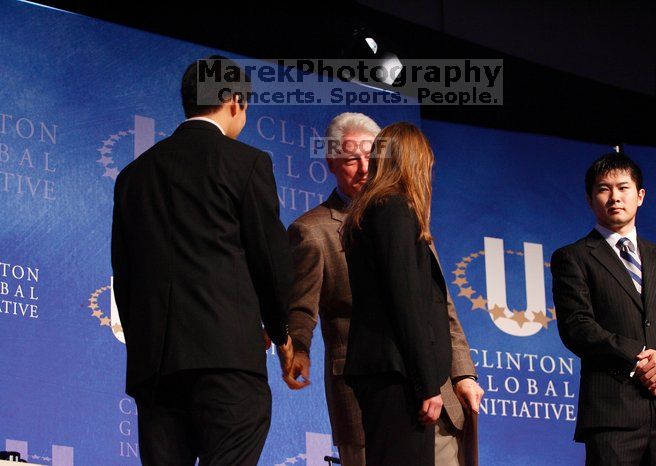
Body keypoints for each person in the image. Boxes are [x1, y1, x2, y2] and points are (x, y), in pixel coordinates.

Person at [111, 56, 294, 466]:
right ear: (233, 101)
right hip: (226, 361)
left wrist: (146, 348)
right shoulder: (246, 163)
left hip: (155, 367)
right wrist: (281, 331)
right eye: (245, 105)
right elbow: (270, 258)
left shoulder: (133, 176)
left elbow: (124, 277)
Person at [284, 113, 482, 466]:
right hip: (379, 391)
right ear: (331, 163)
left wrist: (463, 373)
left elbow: (438, 304)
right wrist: (298, 346)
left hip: (434, 390)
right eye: (350, 159)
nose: (363, 168)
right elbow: (301, 304)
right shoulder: (314, 230)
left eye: (369, 156)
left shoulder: (410, 214)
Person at [551, 152, 656, 466]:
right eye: (604, 189)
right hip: (612, 415)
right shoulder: (573, 257)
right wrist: (643, 359)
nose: (614, 197)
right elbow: (578, 326)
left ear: (640, 195)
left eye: (623, 187)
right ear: (590, 199)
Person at [328, 121, 462, 466]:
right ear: (414, 163)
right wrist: (427, 384)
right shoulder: (393, 209)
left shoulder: (375, 210)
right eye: (427, 165)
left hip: (391, 373)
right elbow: (407, 303)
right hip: (397, 376)